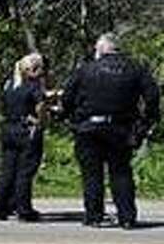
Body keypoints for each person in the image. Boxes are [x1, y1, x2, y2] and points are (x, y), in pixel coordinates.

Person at [61, 33, 158, 229]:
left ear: (101, 50)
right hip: (120, 127)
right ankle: (127, 217)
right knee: (121, 172)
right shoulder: (135, 69)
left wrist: (71, 119)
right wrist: (146, 122)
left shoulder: (85, 70)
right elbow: (153, 96)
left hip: (88, 127)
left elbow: (67, 97)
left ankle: (94, 216)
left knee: (91, 174)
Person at [0, 53, 51, 222]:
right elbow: (40, 106)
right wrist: (40, 122)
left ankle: (1, 208)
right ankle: (24, 209)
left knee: (7, 170)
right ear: (33, 69)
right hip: (26, 129)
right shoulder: (34, 86)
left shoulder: (9, 84)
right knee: (25, 171)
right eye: (41, 69)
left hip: (8, 128)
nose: (43, 72)